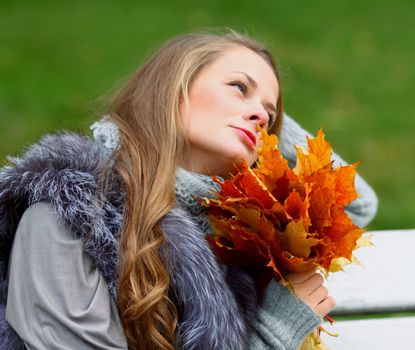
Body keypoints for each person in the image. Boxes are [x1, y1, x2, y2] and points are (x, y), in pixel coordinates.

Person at [0, 31, 378, 349]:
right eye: (238, 86)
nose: (261, 116)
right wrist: (272, 335)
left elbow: (357, 203)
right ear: (173, 88)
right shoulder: (67, 214)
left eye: (271, 113)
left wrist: (262, 123)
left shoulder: (236, 232)